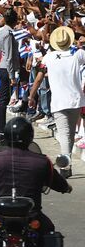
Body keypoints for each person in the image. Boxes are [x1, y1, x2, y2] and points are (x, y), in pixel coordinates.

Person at [0, 118, 71, 235]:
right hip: (32, 216)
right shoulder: (42, 161)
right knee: (49, 232)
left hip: (0, 215)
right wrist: (67, 188)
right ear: (30, 137)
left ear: (6, 136)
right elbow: (59, 184)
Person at [28, 26, 85, 177]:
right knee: (69, 133)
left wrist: (31, 96)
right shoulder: (78, 54)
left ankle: (65, 167)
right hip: (75, 100)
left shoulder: (49, 57)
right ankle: (67, 163)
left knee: (66, 134)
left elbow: (39, 78)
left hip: (59, 101)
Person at [0, 10, 20, 140]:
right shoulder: (8, 33)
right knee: (3, 100)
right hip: (6, 68)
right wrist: (12, 76)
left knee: (3, 99)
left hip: (3, 67)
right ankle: (1, 130)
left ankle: (1, 129)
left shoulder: (4, 31)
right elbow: (8, 56)